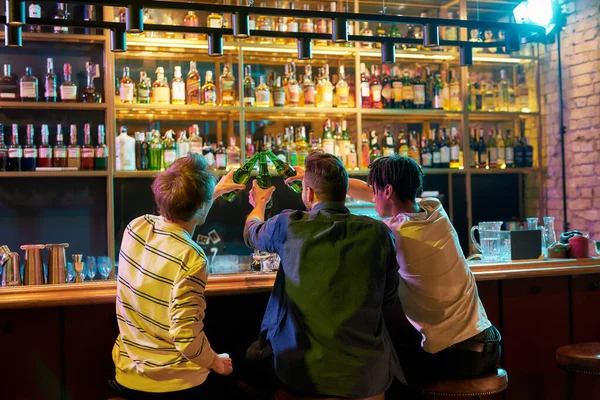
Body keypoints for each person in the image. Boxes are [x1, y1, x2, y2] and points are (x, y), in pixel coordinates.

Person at [286, 155, 501, 385]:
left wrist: (319, 186)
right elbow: (375, 195)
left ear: (387, 191)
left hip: (459, 355)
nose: (372, 195)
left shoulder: (392, 234)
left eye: (375, 189)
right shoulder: (436, 211)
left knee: (383, 368)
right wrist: (319, 179)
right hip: (488, 342)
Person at [243, 152, 403, 399]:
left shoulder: (287, 224)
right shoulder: (379, 233)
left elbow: (251, 232)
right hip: (367, 379)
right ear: (345, 190)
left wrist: (259, 204)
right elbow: (389, 297)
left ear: (307, 193)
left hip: (302, 376)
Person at [111, 154, 246, 400]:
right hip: (173, 383)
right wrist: (216, 362)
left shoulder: (136, 227)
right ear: (202, 207)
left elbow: (174, 231)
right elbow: (186, 338)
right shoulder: (192, 258)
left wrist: (210, 195)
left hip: (128, 374)